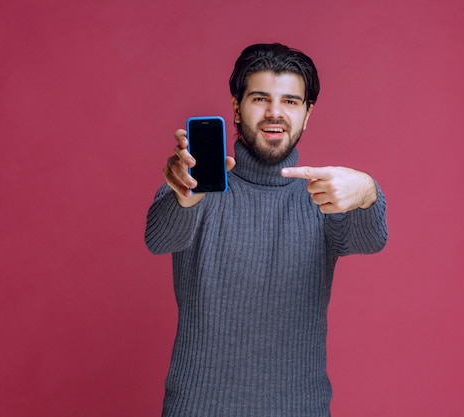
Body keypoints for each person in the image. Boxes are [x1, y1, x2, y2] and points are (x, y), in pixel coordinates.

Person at [145, 43, 388, 417]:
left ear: (307, 114)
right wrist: (183, 196)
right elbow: (160, 239)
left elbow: (370, 239)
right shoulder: (197, 182)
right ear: (236, 107)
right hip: (197, 408)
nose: (275, 113)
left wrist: (367, 191)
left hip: (300, 408)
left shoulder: (323, 194)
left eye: (291, 102)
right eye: (260, 98)